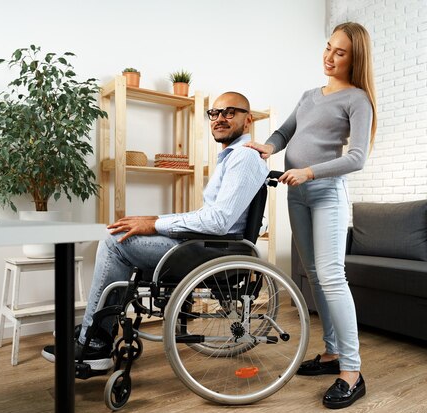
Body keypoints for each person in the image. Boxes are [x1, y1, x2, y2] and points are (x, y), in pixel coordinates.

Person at [42, 92, 269, 370]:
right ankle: (97, 328)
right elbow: (207, 216)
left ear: (247, 122)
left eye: (230, 112)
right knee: (124, 231)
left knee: (116, 241)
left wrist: (155, 224)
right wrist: (155, 218)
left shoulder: (243, 159)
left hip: (214, 252)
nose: (220, 118)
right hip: (206, 246)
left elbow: (218, 221)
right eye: (215, 113)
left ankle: (97, 340)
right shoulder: (232, 158)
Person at [245, 22, 377, 409]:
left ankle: (352, 372)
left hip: (326, 193)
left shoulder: (357, 99)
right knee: (315, 275)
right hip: (296, 193)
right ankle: (332, 352)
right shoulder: (308, 96)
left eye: (340, 53)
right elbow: (285, 132)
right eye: (328, 48)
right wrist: (267, 147)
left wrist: (309, 172)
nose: (329, 57)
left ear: (355, 59)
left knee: (333, 275)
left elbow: (357, 158)